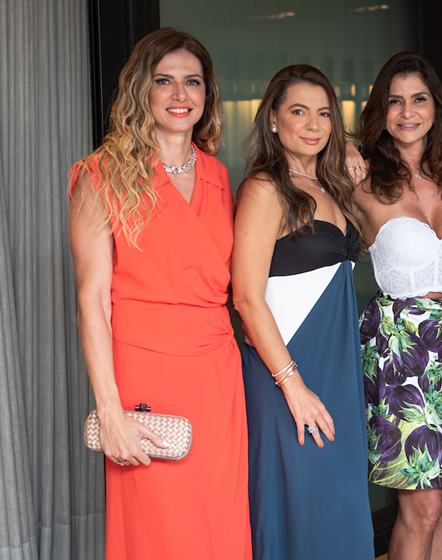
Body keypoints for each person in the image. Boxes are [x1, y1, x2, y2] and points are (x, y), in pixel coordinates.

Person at [68, 28, 251, 559]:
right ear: (140, 92)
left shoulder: (219, 175)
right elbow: (91, 301)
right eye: (163, 81)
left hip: (217, 375)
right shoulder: (99, 175)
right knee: (159, 531)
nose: (180, 95)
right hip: (144, 376)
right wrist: (110, 411)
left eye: (192, 82)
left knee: (219, 524)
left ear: (207, 94)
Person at [232, 64, 374, 559]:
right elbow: (246, 297)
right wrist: (292, 385)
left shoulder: (332, 185)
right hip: (286, 374)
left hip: (336, 372)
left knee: (337, 506)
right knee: (298, 507)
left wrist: (351, 149)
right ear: (272, 119)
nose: (312, 125)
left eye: (323, 114)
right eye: (298, 112)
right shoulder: (265, 189)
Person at [354, 52, 442, 560]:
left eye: (419, 99)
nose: (408, 111)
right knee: (422, 506)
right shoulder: (360, 179)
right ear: (380, 111)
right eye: (395, 101)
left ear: (437, 108)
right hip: (405, 354)